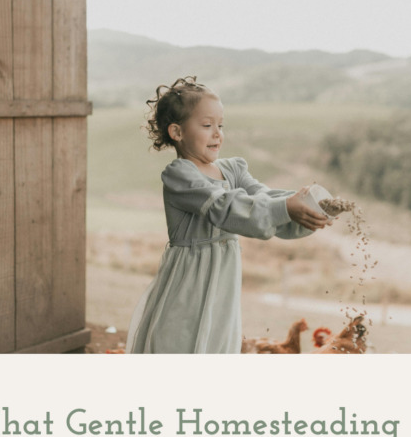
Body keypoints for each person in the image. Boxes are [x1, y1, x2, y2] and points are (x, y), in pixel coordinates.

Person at [126, 77, 331, 354]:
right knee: (180, 341)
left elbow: (265, 199)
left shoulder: (233, 170)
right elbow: (224, 208)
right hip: (189, 282)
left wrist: (305, 211)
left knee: (217, 342)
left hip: (223, 282)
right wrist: (284, 208)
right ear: (177, 132)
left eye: (220, 125)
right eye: (207, 125)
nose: (217, 133)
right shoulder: (180, 176)